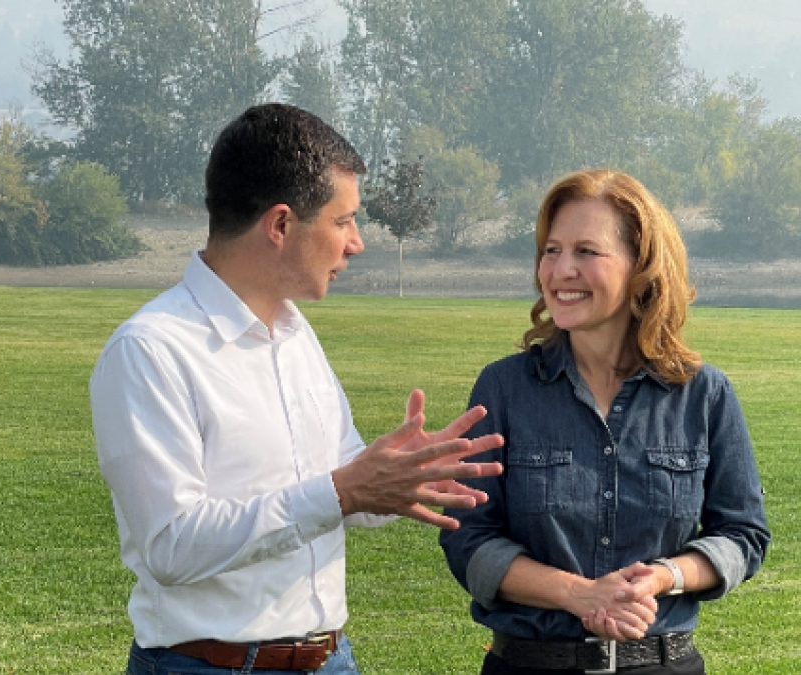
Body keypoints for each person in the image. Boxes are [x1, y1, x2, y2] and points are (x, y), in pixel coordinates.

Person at [89, 103, 503, 675]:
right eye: (343, 220)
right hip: (207, 666)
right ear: (281, 225)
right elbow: (171, 546)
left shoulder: (295, 334)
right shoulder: (150, 350)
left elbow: (340, 486)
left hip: (331, 657)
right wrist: (343, 491)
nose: (356, 242)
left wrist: (399, 474)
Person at [440, 169, 770, 674]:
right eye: (552, 251)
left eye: (586, 252)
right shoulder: (504, 389)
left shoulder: (704, 394)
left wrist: (663, 576)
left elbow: (743, 536)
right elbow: (468, 539)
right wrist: (580, 594)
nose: (560, 270)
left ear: (641, 266)